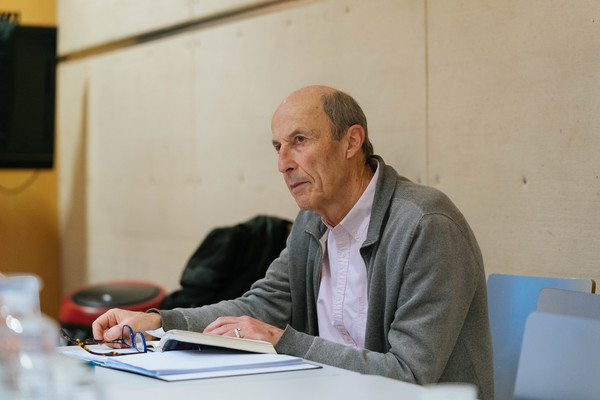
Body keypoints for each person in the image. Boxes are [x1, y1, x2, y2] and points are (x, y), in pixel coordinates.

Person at [92, 85, 494, 399]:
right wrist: (162, 322)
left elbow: (410, 377)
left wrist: (283, 342)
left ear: (352, 142)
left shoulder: (427, 225)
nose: (283, 163)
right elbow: (257, 306)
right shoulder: (311, 222)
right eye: (278, 147)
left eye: (299, 140)